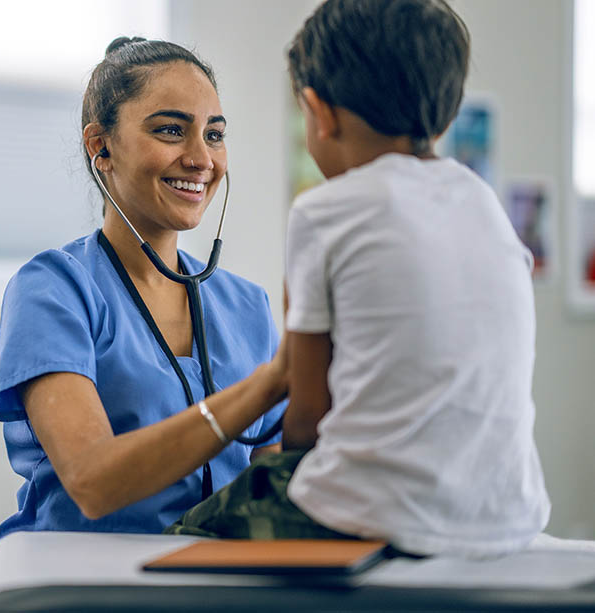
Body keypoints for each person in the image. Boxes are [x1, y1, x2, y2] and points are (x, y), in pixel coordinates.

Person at [168, 0, 550, 558]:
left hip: (374, 515)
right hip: (506, 513)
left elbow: (309, 414)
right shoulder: (483, 204)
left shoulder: (324, 212)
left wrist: (285, 462)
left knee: (183, 536)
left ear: (319, 113)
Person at [0, 37, 287, 542]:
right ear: (100, 146)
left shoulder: (248, 307)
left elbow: (270, 489)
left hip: (218, 582)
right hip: (83, 581)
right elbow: (91, 481)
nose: (200, 159)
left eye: (214, 135)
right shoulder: (54, 291)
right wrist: (265, 386)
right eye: (171, 130)